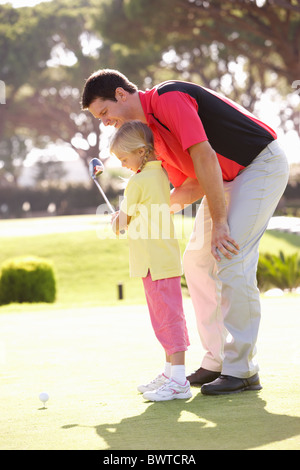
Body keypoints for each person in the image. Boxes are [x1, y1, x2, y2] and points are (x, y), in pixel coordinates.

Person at [81, 69, 289, 395]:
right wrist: (144, 212)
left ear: (121, 94)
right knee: (195, 260)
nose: (105, 122)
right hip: (223, 180)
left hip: (259, 165)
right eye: (100, 118)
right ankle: (216, 360)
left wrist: (220, 224)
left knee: (231, 256)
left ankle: (243, 369)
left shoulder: (169, 97)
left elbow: (204, 156)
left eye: (105, 113)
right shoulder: (149, 137)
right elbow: (191, 184)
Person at [109, 120, 191, 402]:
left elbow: (122, 223)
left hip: (155, 262)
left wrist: (115, 221)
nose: (123, 164)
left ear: (141, 151)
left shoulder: (139, 181)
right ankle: (170, 374)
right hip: (156, 260)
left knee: (168, 320)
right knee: (164, 319)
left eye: (124, 158)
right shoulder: (158, 175)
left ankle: (179, 381)